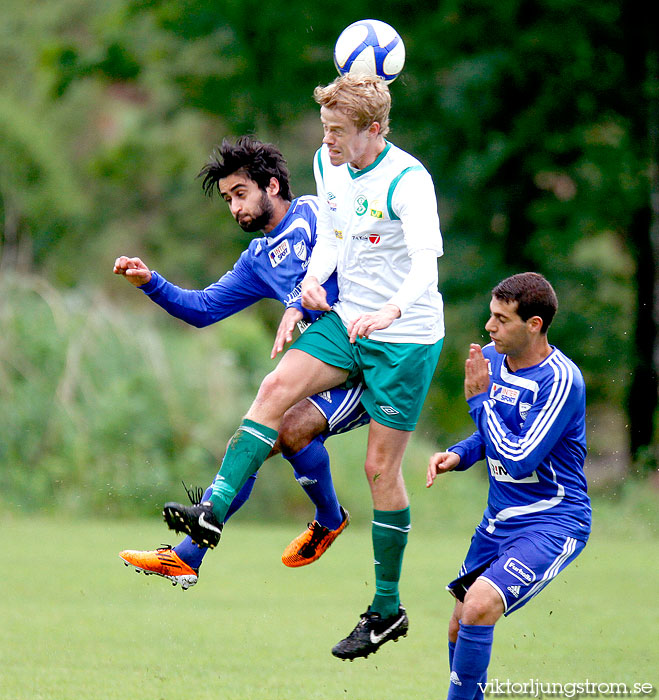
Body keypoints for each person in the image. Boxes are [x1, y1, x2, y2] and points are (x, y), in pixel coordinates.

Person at [162, 74, 445, 660]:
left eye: (338, 131)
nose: (327, 140)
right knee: (275, 387)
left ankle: (386, 610)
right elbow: (333, 242)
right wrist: (306, 290)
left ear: (373, 129)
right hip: (347, 318)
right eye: (324, 129)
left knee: (379, 471)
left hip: (406, 335)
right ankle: (211, 516)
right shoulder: (329, 162)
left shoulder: (410, 181)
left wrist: (394, 307)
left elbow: (425, 263)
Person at [113, 136, 369, 589]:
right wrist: (151, 281)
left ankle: (324, 521)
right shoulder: (257, 259)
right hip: (329, 362)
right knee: (263, 435)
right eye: (228, 199)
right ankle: (189, 557)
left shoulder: (317, 212)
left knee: (278, 415)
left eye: (240, 194)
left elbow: (349, 270)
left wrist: (299, 304)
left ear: (272, 186)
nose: (233, 207)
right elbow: (203, 308)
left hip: (373, 358)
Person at [427, 272, 591, 700]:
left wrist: (480, 401)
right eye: (490, 316)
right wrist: (460, 454)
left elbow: (519, 459)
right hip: (498, 521)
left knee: (479, 606)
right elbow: (494, 432)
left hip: (553, 521)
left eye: (501, 319)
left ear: (534, 324)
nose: (489, 327)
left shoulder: (560, 381)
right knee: (459, 621)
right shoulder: (493, 360)